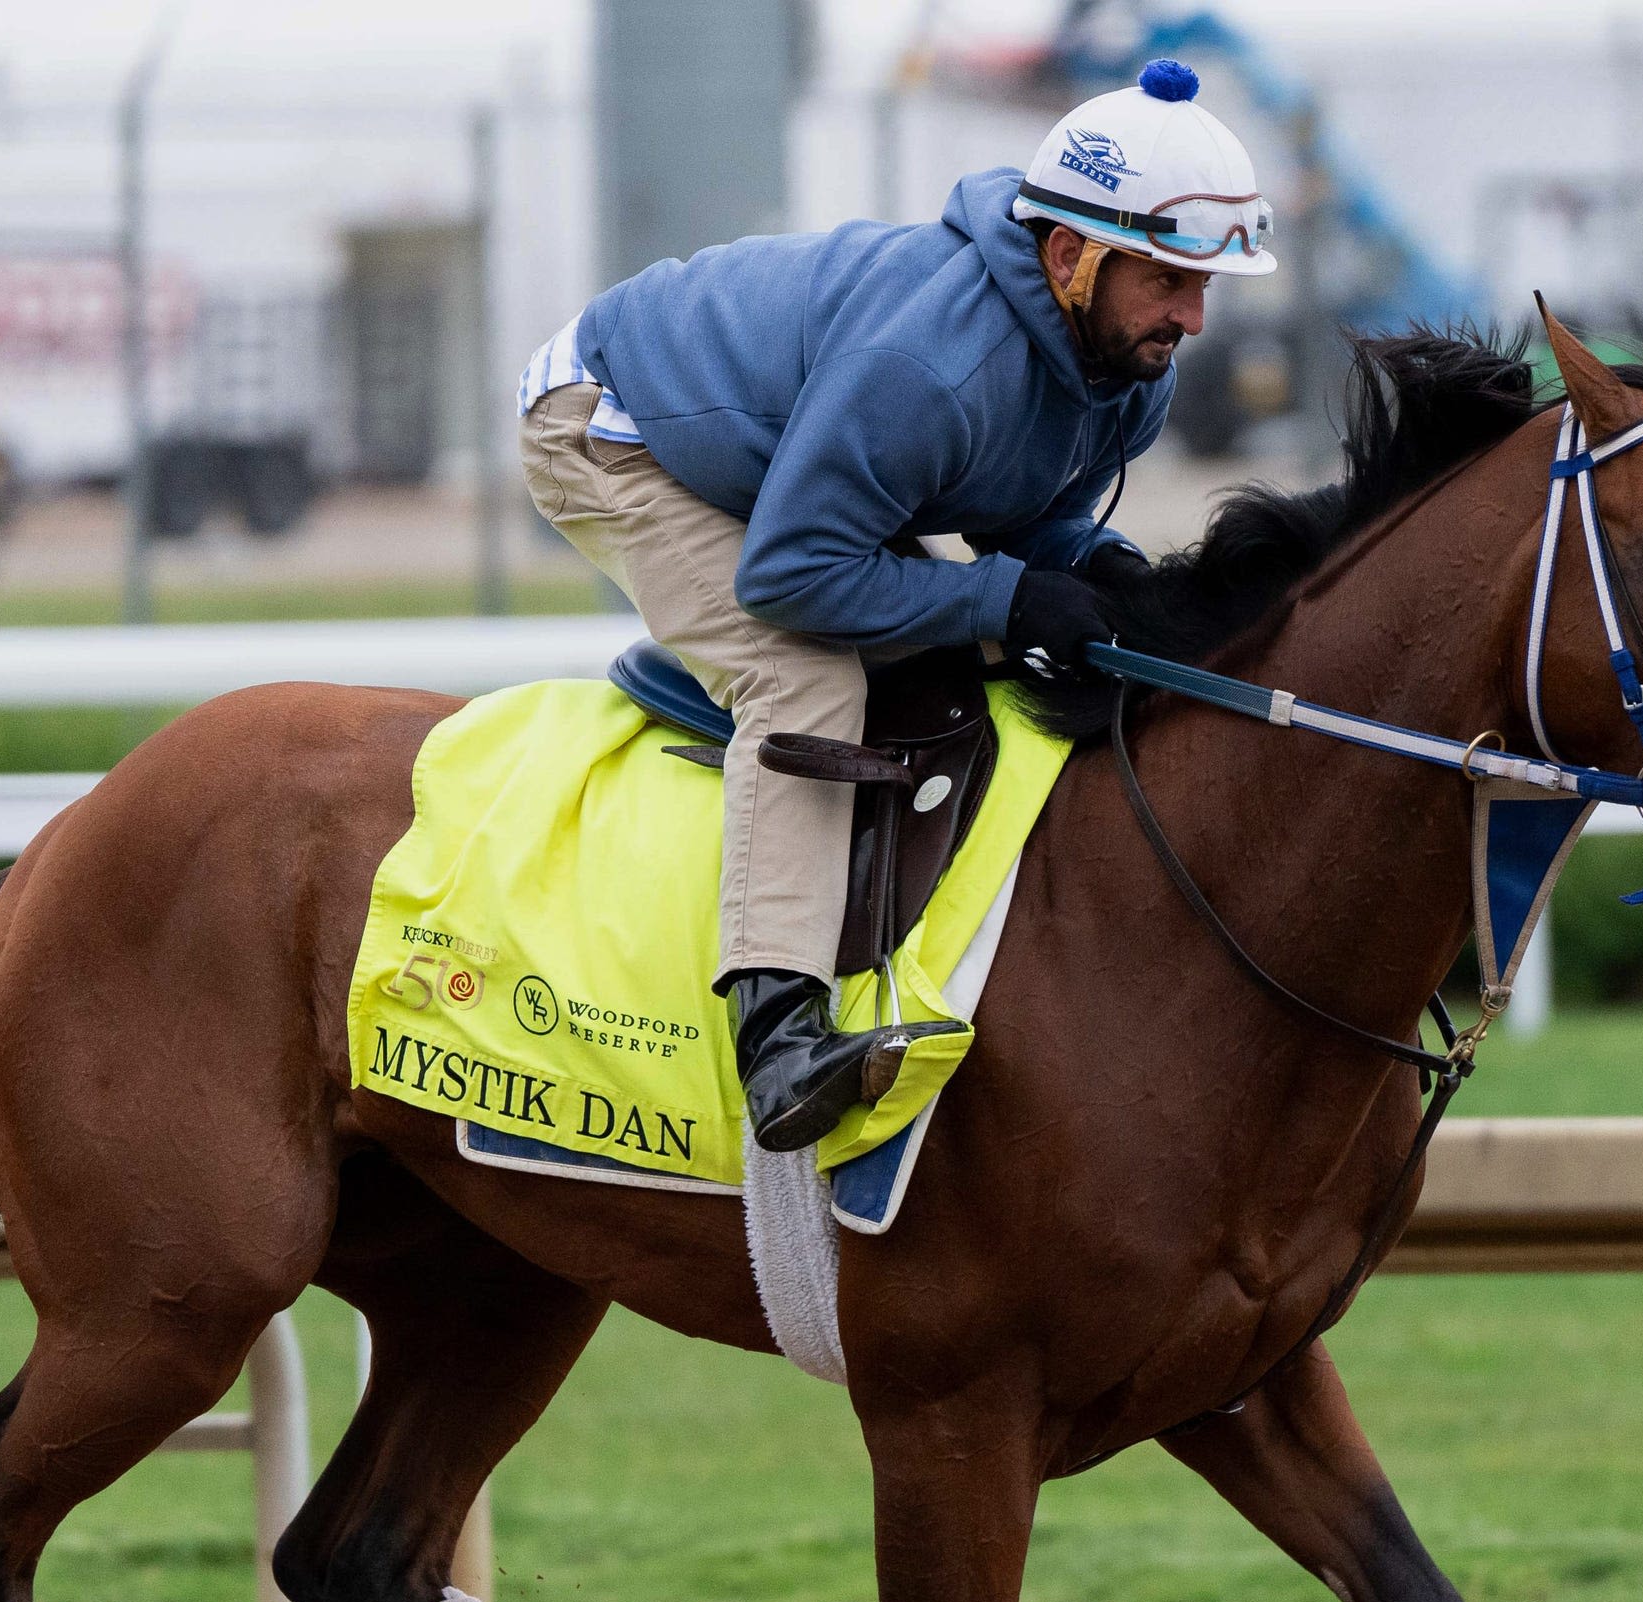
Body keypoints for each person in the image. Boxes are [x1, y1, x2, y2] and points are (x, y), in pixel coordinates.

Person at [518, 58, 1278, 1152]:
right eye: (1168, 279)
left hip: (788, 454)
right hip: (609, 424)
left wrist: (1098, 572)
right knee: (806, 668)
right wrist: (1006, 598)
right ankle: (777, 1031)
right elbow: (787, 576)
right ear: (1070, 257)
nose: (1194, 318)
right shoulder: (929, 368)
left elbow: (1026, 513)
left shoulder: (1127, 368)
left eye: (1206, 284)